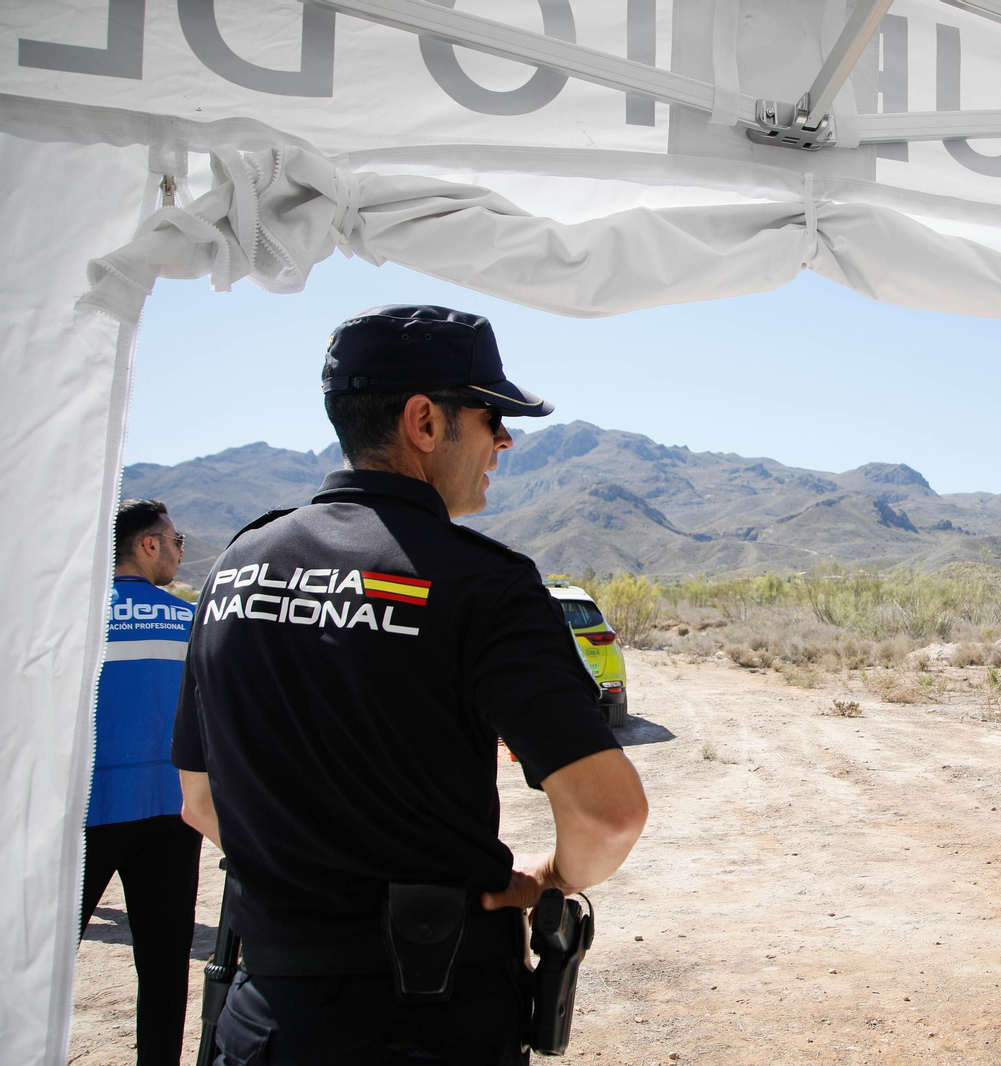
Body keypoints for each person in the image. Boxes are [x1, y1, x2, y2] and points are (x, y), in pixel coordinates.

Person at [172, 305, 649, 1065]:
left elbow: (200, 801)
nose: (504, 440)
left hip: (266, 1016)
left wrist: (309, 878)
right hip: (431, 1016)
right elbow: (609, 813)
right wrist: (550, 877)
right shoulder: (484, 583)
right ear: (424, 421)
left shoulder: (237, 565)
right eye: (491, 417)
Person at [82, 498, 201, 1066]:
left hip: (85, 809)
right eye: (176, 542)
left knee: (42, 955)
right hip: (172, 813)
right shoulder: (191, 622)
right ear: (149, 544)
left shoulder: (76, 619)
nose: (179, 553)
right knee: (165, 965)